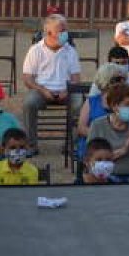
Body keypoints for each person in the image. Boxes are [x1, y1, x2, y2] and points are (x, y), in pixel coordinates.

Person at [20, 14, 82, 154]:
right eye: (62, 30)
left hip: (66, 91)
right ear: (49, 33)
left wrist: (67, 91)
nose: (65, 34)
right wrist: (42, 90)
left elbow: (76, 78)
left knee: (79, 103)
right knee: (29, 103)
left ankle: (70, 145)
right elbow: (27, 78)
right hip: (41, 90)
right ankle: (31, 145)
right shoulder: (35, 50)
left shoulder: (70, 51)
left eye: (66, 30)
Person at [86, 83, 129, 183]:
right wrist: (124, 150)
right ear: (115, 106)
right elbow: (91, 159)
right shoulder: (98, 125)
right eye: (127, 104)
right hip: (107, 179)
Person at [76, 63, 128, 165]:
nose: (121, 83)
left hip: (120, 143)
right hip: (95, 144)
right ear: (106, 81)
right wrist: (103, 136)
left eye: (123, 80)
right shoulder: (92, 102)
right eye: (117, 80)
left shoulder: (127, 102)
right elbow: (81, 128)